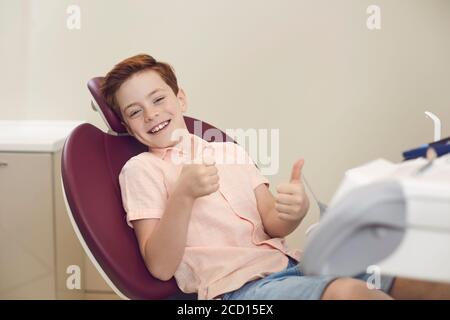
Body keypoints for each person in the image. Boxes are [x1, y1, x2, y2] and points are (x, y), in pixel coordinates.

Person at [101, 54, 450, 300]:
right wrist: (183, 196)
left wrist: (292, 212)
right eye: (135, 112)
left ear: (181, 98)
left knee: (414, 277)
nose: (151, 114)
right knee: (349, 294)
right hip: (240, 291)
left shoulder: (228, 150)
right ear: (128, 126)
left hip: (294, 265)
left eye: (158, 99)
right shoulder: (141, 170)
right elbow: (160, 267)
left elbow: (272, 224)